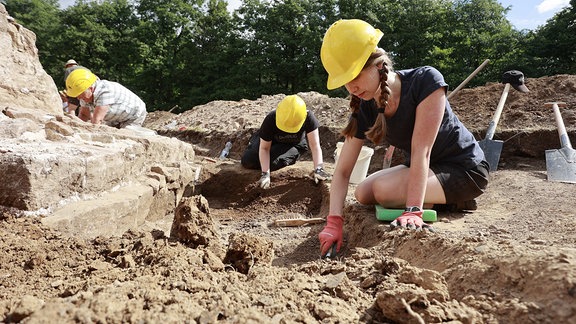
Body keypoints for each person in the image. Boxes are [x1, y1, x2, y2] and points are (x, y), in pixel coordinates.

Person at [317, 19, 489, 257]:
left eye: (355, 75)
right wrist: (334, 222)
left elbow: (422, 151)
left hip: (464, 169)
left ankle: (457, 199)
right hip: (426, 169)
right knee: (364, 192)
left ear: (378, 64)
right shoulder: (366, 106)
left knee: (385, 191)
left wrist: (413, 211)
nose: (351, 87)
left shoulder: (426, 81)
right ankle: (435, 195)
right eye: (345, 81)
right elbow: (343, 171)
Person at [241, 95, 331, 189]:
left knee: (274, 163)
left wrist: (318, 169)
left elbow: (315, 146)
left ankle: (288, 157)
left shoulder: (308, 118)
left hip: (293, 145)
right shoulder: (271, 118)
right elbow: (264, 148)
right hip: (272, 142)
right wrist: (265, 174)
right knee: (248, 160)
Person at [65, 68, 147, 128]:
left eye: (80, 95)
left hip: (134, 115)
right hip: (116, 118)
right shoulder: (85, 94)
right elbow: (84, 115)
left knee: (125, 135)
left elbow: (97, 122)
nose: (79, 98)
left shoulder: (105, 91)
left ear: (90, 88)